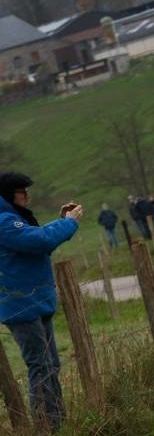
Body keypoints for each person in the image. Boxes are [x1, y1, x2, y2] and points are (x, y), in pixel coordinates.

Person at [0, 172, 81, 432]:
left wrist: (61, 222)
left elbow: (36, 238)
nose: (27, 196)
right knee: (40, 365)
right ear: (9, 195)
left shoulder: (12, 219)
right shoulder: (4, 221)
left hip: (32, 301)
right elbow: (40, 240)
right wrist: (69, 223)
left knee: (50, 364)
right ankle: (47, 426)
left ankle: (57, 422)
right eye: (22, 192)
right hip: (21, 305)